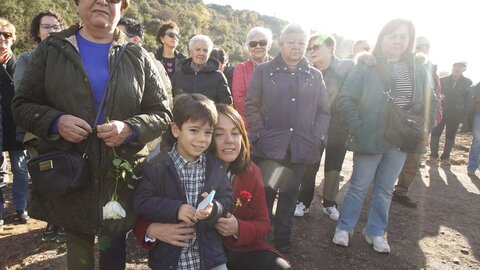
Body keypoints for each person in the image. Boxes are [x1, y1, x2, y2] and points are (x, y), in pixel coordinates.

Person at [11, 0, 172, 269]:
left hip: (118, 177)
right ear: (77, 3)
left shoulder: (138, 55)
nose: (102, 2)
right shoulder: (52, 50)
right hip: (72, 172)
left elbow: (162, 113)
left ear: (122, 6)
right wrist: (56, 122)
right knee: (78, 249)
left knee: (113, 250)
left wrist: (130, 129)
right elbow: (22, 104)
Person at [133, 103, 292, 270]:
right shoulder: (177, 168)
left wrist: (237, 227)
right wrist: (152, 229)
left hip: (234, 250)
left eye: (235, 133)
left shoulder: (251, 172)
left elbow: (263, 224)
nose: (229, 140)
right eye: (218, 134)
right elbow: (142, 206)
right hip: (193, 252)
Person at [333, 18, 437, 253]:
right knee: (359, 185)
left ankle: (376, 231)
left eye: (403, 36)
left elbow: (431, 101)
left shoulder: (418, 68)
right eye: (393, 36)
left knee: (385, 188)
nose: (398, 41)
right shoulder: (367, 64)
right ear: (382, 38)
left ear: (410, 40)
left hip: (401, 137)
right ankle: (344, 227)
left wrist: (423, 126)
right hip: (370, 134)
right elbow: (346, 97)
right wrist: (358, 125)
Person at [245, 24, 330, 253]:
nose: (296, 47)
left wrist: (318, 138)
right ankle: (260, 240)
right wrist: (259, 134)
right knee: (265, 195)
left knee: (290, 196)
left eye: (301, 43)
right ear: (281, 44)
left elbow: (324, 110)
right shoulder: (264, 71)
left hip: (301, 148)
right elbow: (251, 104)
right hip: (269, 147)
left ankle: (283, 241)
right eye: (291, 42)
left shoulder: (315, 75)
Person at [133, 93, 233, 270]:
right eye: (194, 130)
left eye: (208, 132)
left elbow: (227, 199)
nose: (202, 139)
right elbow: (142, 201)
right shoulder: (157, 166)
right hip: (170, 259)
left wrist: (214, 208)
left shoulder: (215, 166)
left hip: (210, 257)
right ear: (176, 129)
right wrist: (176, 209)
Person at [13, 10, 65, 242]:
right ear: (37, 31)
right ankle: (51, 220)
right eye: (47, 26)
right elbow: (23, 91)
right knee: (45, 174)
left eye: (56, 26)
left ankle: (64, 221)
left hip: (66, 125)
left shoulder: (68, 57)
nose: (52, 31)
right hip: (38, 127)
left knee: (66, 172)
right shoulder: (27, 58)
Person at [295, 33, 354, 220]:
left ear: (330, 48)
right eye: (309, 48)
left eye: (316, 47)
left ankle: (329, 204)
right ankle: (303, 202)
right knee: (309, 166)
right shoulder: (307, 72)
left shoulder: (348, 67)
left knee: (334, 168)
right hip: (314, 129)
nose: (311, 51)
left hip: (339, 128)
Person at [392, 36, 442, 208]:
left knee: (413, 161)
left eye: (426, 46)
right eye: (419, 45)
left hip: (418, 124)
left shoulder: (424, 69)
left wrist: (427, 125)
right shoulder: (397, 63)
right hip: (396, 122)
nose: (422, 48)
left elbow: (433, 100)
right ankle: (380, 188)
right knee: (389, 157)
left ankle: (401, 192)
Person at [0, 18, 30, 228]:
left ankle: (21, 207)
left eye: (7, 35)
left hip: (17, 125)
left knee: (20, 169)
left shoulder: (21, 64)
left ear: (13, 39)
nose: (2, 39)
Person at [117, 16, 173, 109]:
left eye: (119, 34)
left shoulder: (154, 66)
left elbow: (164, 106)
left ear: (135, 40)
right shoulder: (111, 59)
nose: (113, 38)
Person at [429, 61, 472, 165]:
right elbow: (435, 92)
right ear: (452, 67)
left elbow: (468, 100)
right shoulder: (442, 80)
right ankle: (433, 156)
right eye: (455, 66)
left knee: (450, 135)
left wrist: (464, 116)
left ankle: (445, 158)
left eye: (460, 67)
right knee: (435, 133)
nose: (457, 69)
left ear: (464, 69)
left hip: (456, 114)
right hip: (441, 111)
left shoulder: (467, 82)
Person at [172, 34, 232, 105]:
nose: (201, 53)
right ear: (191, 52)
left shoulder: (218, 77)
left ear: (209, 54)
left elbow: (226, 105)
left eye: (205, 50)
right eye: (198, 49)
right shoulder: (178, 76)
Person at [232, 26, 273, 121]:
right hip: (252, 125)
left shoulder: (279, 68)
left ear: (269, 45)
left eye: (262, 43)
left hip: (277, 123)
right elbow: (239, 100)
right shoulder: (241, 69)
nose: (258, 46)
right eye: (253, 44)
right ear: (249, 48)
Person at [467, 82, 480, 176]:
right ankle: (472, 167)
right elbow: (472, 94)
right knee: (477, 141)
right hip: (478, 114)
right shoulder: (477, 86)